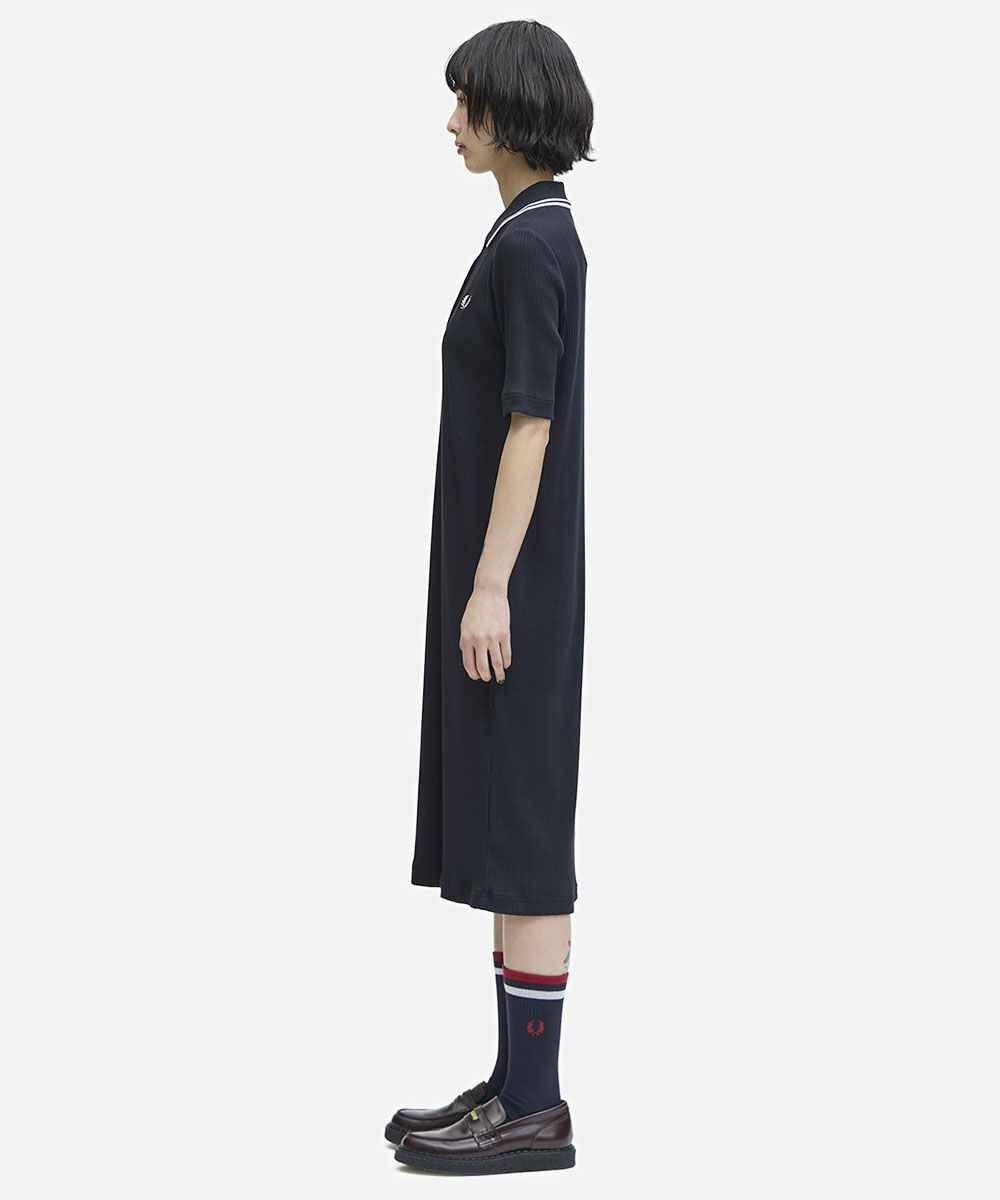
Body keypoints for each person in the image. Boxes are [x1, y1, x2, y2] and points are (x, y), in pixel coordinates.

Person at [388, 20, 594, 1176]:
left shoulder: (535, 246)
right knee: (510, 825)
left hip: (520, 589)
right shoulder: (521, 235)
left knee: (526, 833)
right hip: (514, 583)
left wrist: (488, 587)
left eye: (466, 103)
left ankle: (535, 1104)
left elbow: (531, 423)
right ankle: (514, 1085)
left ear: (512, 112)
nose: (451, 123)